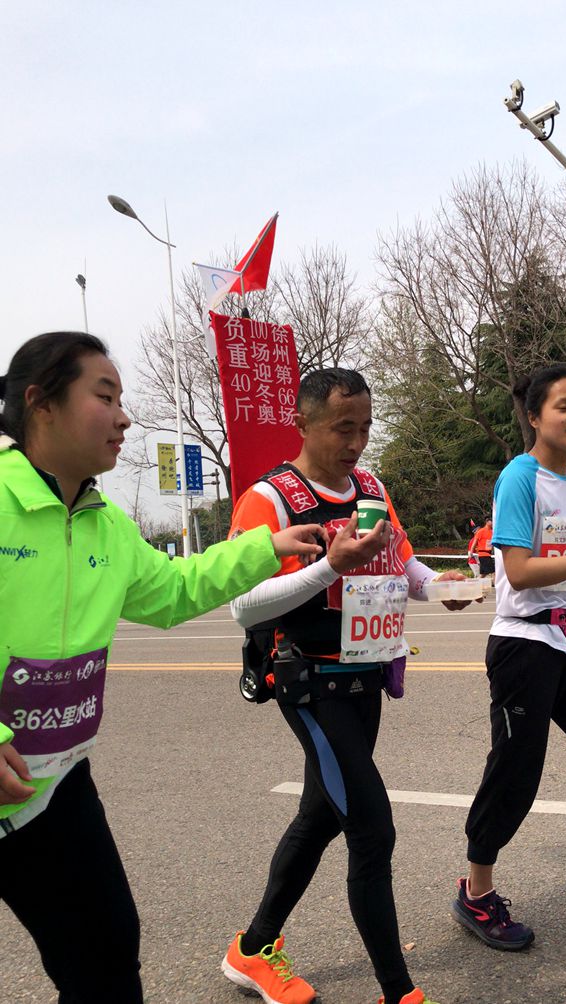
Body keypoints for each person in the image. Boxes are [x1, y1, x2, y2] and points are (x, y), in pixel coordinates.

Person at [0, 331, 326, 1004]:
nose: (124, 416)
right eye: (105, 396)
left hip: (53, 786)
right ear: (41, 403)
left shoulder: (104, 522)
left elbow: (173, 592)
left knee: (107, 954)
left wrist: (268, 546)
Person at [220, 368, 475, 1004]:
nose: (357, 441)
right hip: (310, 682)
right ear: (302, 424)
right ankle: (400, 993)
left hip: (367, 676)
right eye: (343, 428)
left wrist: (440, 587)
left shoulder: (370, 486)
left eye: (364, 426)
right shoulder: (270, 499)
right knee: (370, 827)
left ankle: (251, 950)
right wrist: (328, 566)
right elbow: (243, 607)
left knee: (320, 815)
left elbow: (402, 560)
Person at [452, 363, 566, 951]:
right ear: (535, 417)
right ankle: (476, 893)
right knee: (515, 776)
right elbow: (518, 570)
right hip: (523, 646)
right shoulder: (520, 477)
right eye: (563, 406)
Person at [468, 517, 494, 582]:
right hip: (483, 555)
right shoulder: (481, 531)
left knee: (484, 574)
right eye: (492, 521)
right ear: (487, 522)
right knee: (494, 571)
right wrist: (471, 551)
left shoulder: (492, 532)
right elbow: (475, 542)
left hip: (488, 554)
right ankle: (496, 586)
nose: (493, 523)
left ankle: (475, 583)